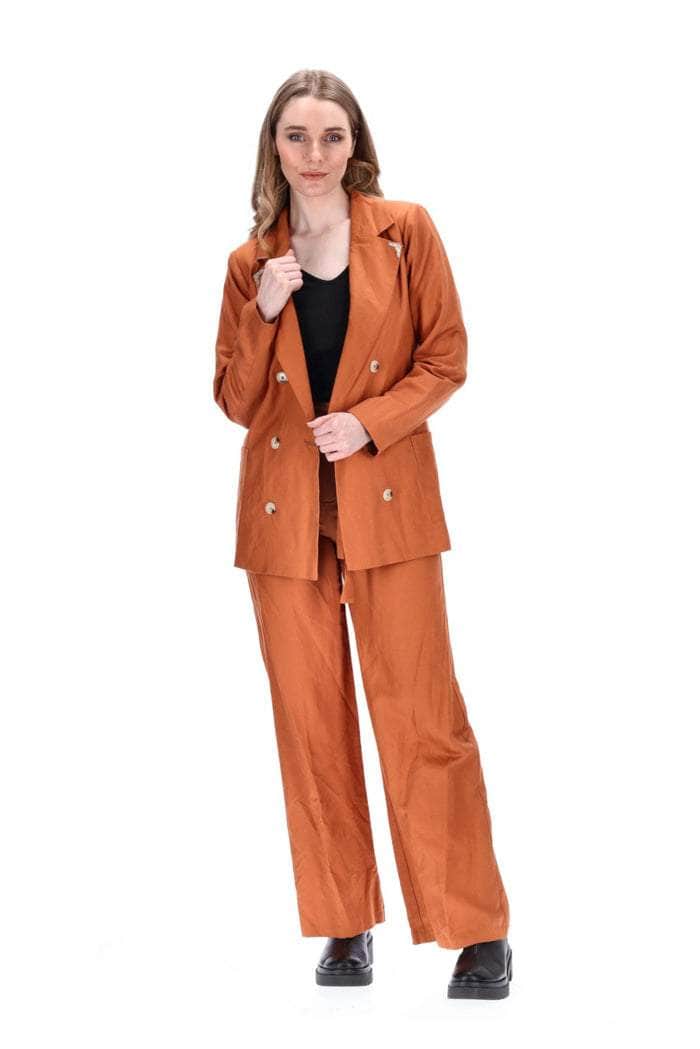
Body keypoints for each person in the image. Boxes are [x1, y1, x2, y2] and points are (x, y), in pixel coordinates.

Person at [213, 69, 512, 1000]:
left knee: (424, 716)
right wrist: (264, 310)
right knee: (312, 726)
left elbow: (446, 356)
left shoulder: (405, 231)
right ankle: (345, 924)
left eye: (331, 137)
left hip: (388, 503)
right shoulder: (251, 262)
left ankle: (477, 930)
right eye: (296, 136)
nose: (314, 155)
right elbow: (234, 398)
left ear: (356, 145)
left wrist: (370, 422)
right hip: (285, 520)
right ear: (274, 146)